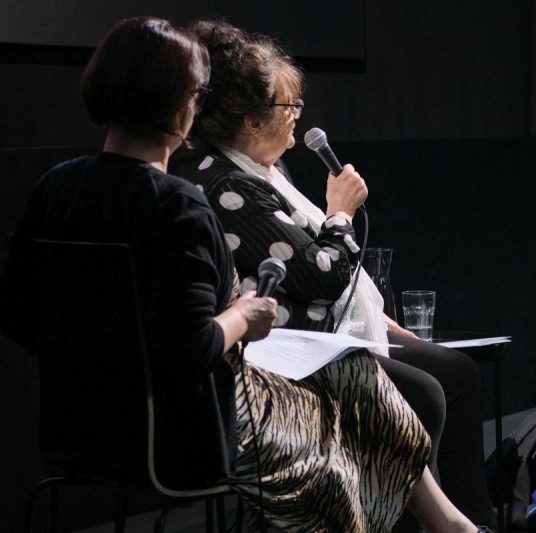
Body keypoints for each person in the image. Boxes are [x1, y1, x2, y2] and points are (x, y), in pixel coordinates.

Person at [0, 17, 484, 533]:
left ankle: (452, 526)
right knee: (340, 433)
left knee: (352, 372)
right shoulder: (176, 208)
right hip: (189, 433)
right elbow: (190, 347)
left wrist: (103, 361)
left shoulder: (55, 189)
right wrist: (242, 315)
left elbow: (19, 315)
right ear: (184, 103)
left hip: (75, 426)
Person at [168, 19, 497, 530]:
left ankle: (465, 521)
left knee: (452, 372)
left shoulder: (264, 173)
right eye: (288, 107)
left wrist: (379, 320)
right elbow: (320, 272)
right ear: (252, 122)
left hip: (316, 334)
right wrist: (339, 214)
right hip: (280, 354)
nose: (298, 118)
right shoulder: (226, 184)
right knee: (426, 389)